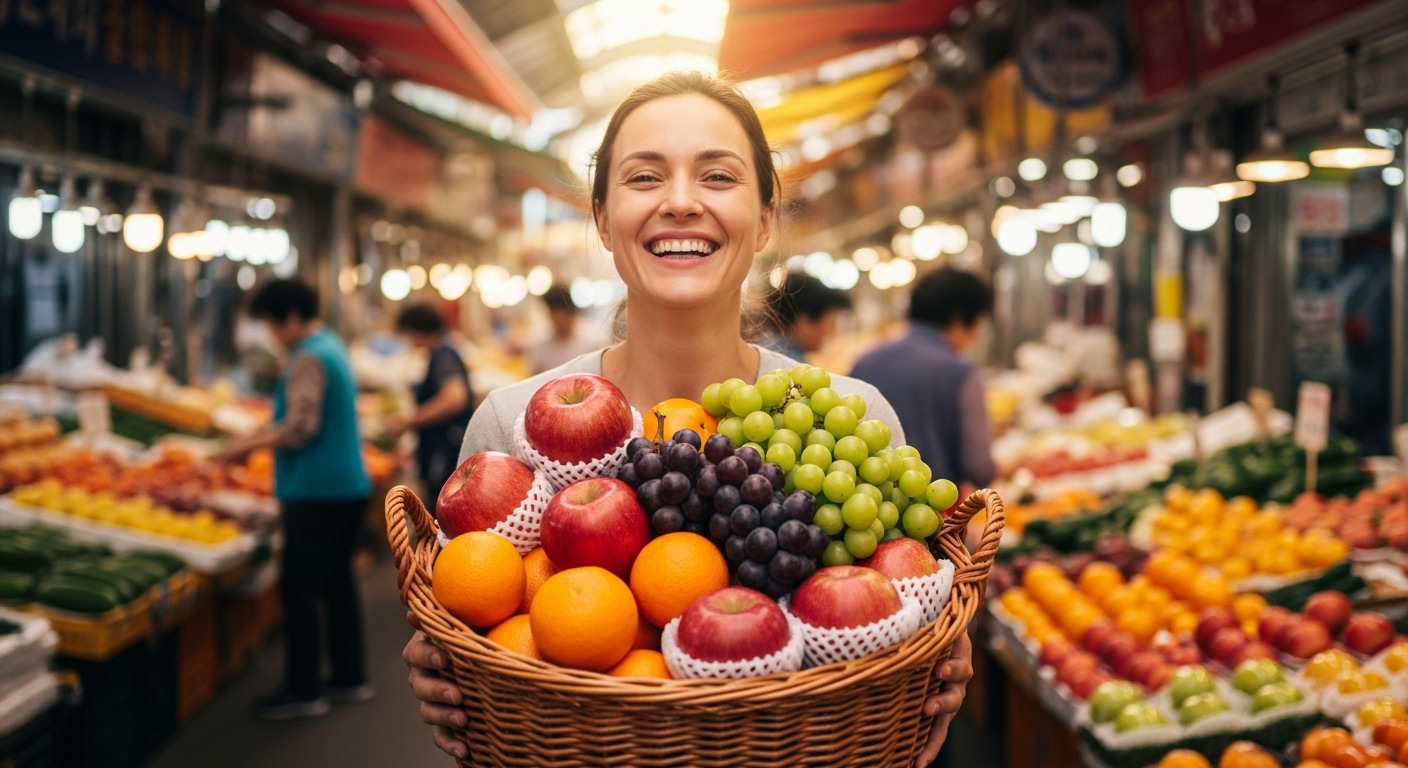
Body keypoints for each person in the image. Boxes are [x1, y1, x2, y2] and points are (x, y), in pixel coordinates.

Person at [401, 71, 972, 767]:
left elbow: (907, 593)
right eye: (644, 178)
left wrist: (938, 646)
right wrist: (447, 653)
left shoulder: (853, 417)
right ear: (602, 219)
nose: (679, 202)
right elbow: (471, 615)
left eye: (718, 177)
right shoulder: (508, 425)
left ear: (766, 218)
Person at [218, 279, 374, 721]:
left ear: (290, 317)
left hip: (318, 488)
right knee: (337, 583)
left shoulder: (309, 355)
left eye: (271, 323)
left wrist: (248, 444)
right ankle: (350, 676)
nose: (271, 334)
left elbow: (302, 425)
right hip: (346, 483)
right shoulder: (331, 345)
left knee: (299, 586)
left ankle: (304, 688)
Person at [850, 267, 997, 490]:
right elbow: (979, 468)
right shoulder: (961, 374)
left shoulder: (865, 361)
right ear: (960, 318)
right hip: (933, 504)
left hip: (866, 499)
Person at [385, 304, 473, 512]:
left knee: (441, 510)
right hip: (441, 448)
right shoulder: (442, 352)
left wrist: (410, 421)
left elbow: (455, 397)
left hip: (444, 450)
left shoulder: (444, 356)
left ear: (414, 331)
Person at [761, 272, 852, 362]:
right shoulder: (790, 362)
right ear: (804, 320)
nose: (833, 334)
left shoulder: (765, 346)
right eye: (832, 325)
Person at [526, 284, 601, 374]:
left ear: (569, 312)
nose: (554, 319)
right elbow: (535, 375)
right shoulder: (540, 342)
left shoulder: (593, 340)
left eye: (558, 315)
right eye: (551, 314)